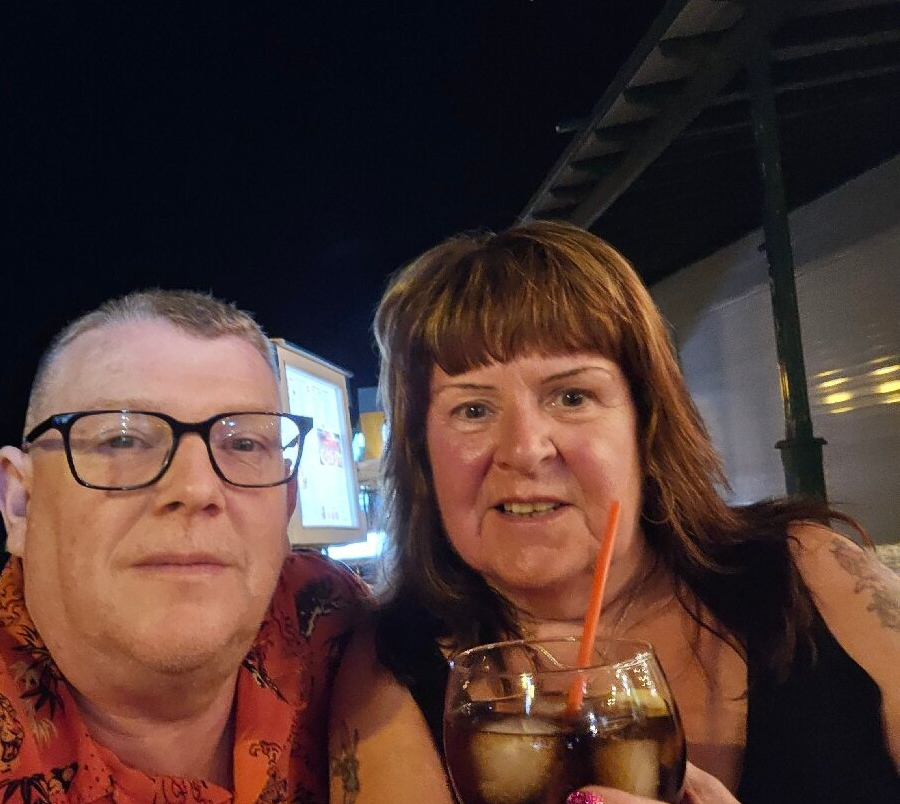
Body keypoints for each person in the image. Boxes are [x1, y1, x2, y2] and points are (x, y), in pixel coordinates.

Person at [328, 220, 900, 804]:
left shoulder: (809, 573)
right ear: (421, 455)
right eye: (472, 409)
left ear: (645, 424)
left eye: (572, 396)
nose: (525, 449)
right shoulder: (390, 662)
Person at [0, 289, 367, 804]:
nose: (197, 487)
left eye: (244, 443)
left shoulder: (333, 620)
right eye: (122, 440)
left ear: (286, 504)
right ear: (21, 502)